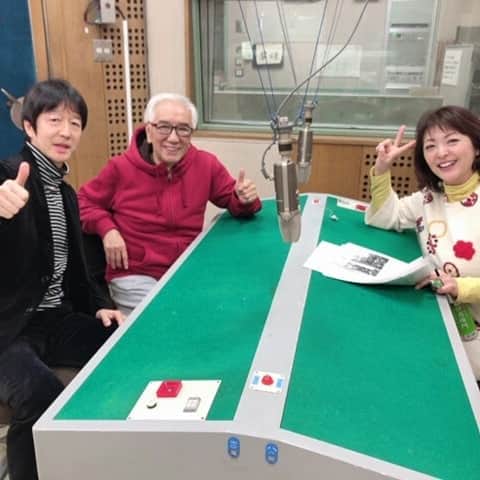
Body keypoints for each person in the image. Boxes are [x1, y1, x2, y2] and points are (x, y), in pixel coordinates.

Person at [0, 79, 124, 480]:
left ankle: (99, 460)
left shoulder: (66, 192)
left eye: (74, 123)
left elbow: (79, 272)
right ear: (30, 126)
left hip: (56, 320)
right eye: (54, 120)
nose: (66, 131)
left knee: (123, 350)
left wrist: (102, 305)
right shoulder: (8, 176)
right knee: (41, 396)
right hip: (9, 329)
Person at [78, 93, 262, 315]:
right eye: (164, 127)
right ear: (149, 131)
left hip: (187, 269)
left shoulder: (206, 164)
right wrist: (107, 230)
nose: (174, 138)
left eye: (183, 129)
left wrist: (244, 199)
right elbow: (83, 202)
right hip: (136, 274)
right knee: (165, 317)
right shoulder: (120, 168)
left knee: (231, 308)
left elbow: (234, 201)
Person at [365, 105, 480, 382]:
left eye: (452, 141)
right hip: (447, 331)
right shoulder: (429, 198)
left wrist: (461, 287)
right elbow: (386, 216)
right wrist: (382, 169)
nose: (441, 153)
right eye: (430, 146)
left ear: (477, 147)